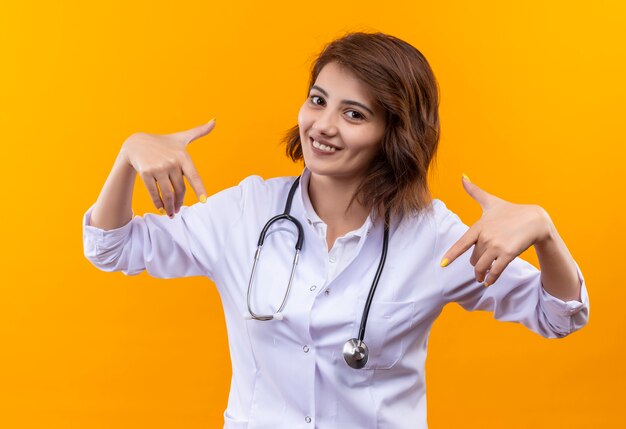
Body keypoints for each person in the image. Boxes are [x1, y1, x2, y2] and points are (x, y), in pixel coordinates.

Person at [82, 32, 589, 429]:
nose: (323, 126)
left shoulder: (433, 236)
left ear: (396, 133)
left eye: (354, 114)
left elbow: (559, 316)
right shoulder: (247, 211)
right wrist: (129, 154)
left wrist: (545, 233)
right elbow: (111, 247)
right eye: (318, 100)